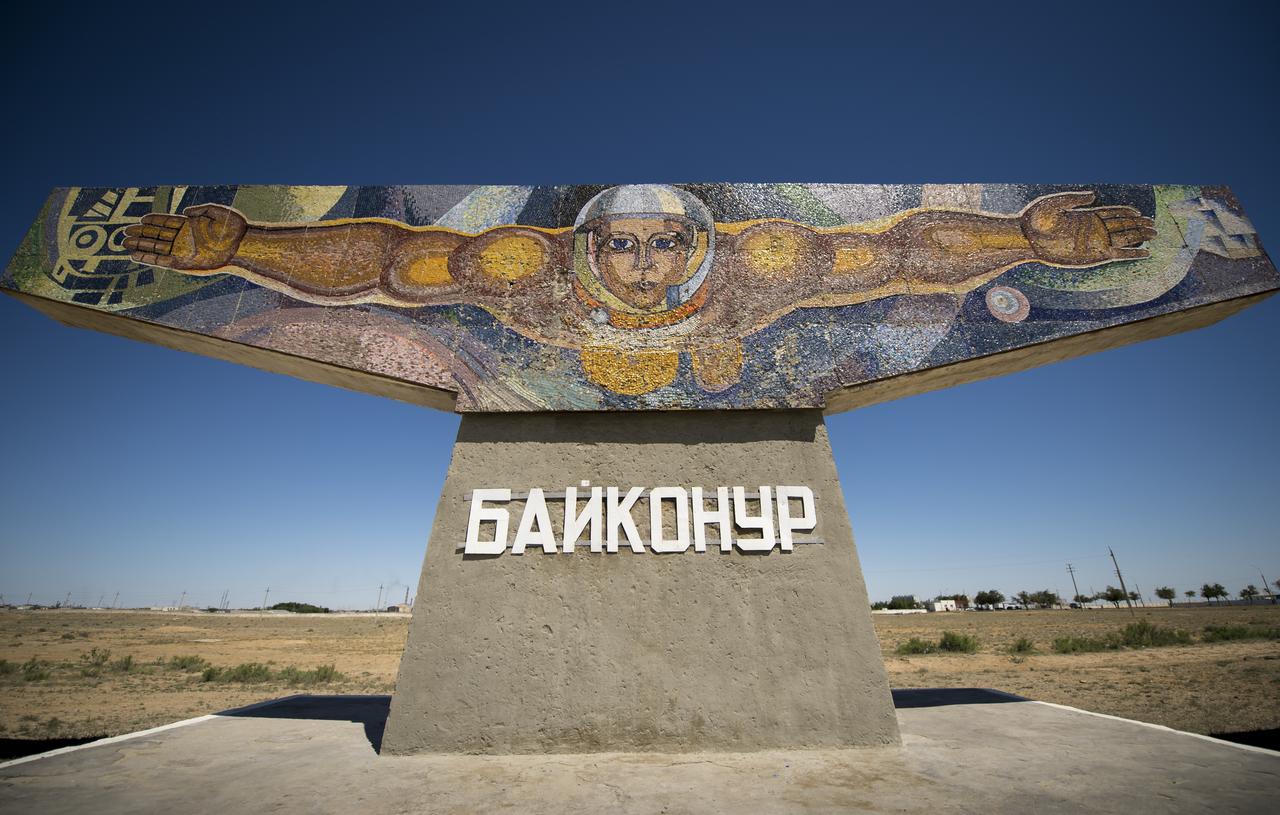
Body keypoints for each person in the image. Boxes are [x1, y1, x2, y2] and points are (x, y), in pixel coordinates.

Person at [124, 184, 1154, 395]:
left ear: (703, 242)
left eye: (665, 243)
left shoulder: (764, 263)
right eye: (622, 246)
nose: (645, 263)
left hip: (734, 346)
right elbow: (390, 259)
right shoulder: (520, 271)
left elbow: (898, 252)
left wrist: (1026, 236)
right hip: (551, 359)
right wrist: (245, 243)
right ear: (586, 248)